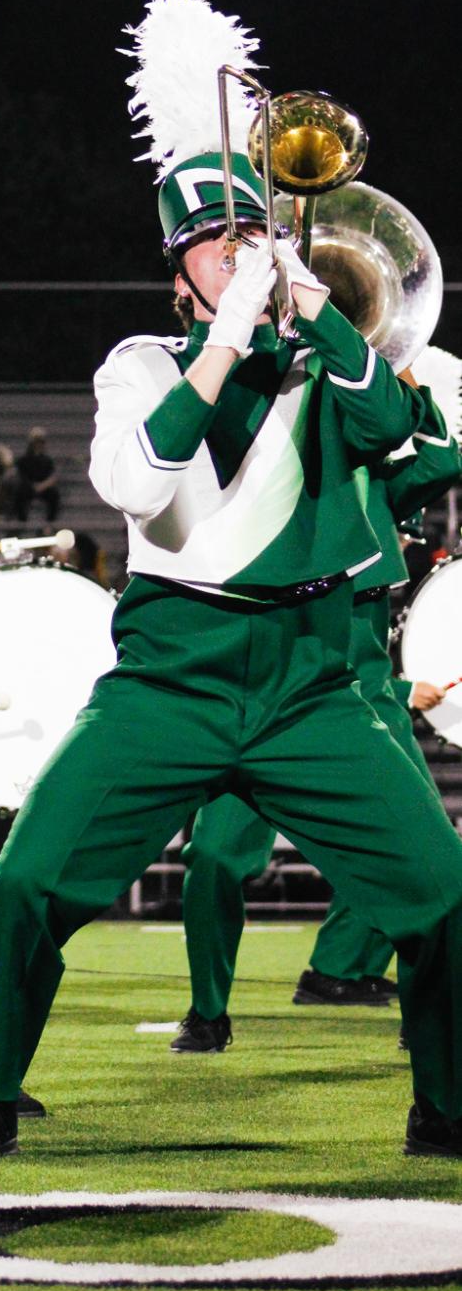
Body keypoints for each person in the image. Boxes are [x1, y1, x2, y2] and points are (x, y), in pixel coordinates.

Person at [0, 0, 462, 1163]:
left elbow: (413, 448)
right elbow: (138, 482)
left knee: (445, 894)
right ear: (178, 270)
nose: (242, 257)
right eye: (216, 246)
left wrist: (314, 306)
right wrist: (226, 346)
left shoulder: (340, 359)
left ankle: (447, 1102)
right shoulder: (142, 362)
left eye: (253, 237)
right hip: (170, 671)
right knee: (26, 890)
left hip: (317, 677)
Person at [171, 389, 460, 1050]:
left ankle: (425, 1018)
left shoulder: (376, 480)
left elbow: (445, 456)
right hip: (270, 681)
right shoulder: (262, 475)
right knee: (213, 854)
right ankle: (207, 1008)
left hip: (362, 687)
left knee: (425, 858)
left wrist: (406, 379)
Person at [10, 428, 59, 522]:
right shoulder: (23, 459)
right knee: (19, 493)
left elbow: (52, 476)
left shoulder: (47, 460)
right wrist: (32, 486)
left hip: (43, 487)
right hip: (28, 487)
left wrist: (42, 486)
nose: (38, 444)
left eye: (41, 442)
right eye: (36, 442)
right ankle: (21, 519)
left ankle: (49, 522)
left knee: (54, 494)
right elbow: (21, 476)